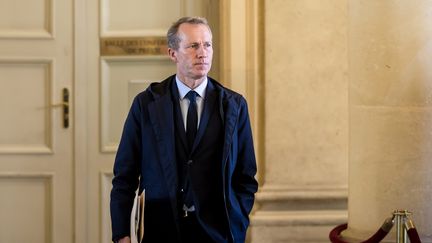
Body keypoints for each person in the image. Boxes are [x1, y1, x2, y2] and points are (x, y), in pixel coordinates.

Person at [110, 16, 258, 243]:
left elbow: (245, 176)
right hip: (161, 231)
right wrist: (122, 234)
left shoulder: (234, 106)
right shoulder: (145, 104)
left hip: (218, 233)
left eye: (207, 45)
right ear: (173, 54)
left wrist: (237, 224)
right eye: (193, 46)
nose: (203, 53)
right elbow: (125, 176)